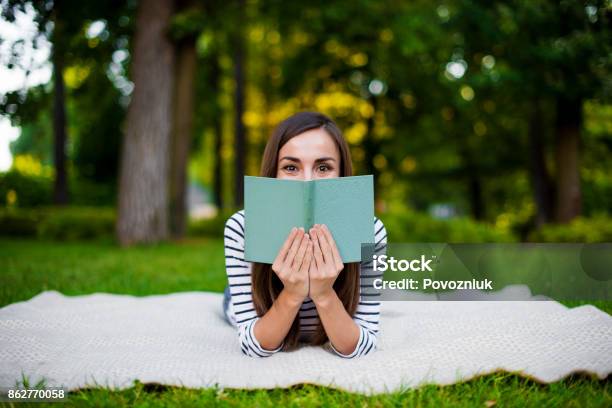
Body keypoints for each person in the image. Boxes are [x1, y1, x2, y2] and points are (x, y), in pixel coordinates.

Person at [222, 111, 387, 358]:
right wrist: (292, 293)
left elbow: (363, 345)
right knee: (231, 303)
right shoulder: (241, 227)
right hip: (252, 299)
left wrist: (323, 293)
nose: (307, 182)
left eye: (323, 167)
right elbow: (252, 346)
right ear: (273, 174)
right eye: (291, 167)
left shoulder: (371, 231)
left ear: (341, 174)